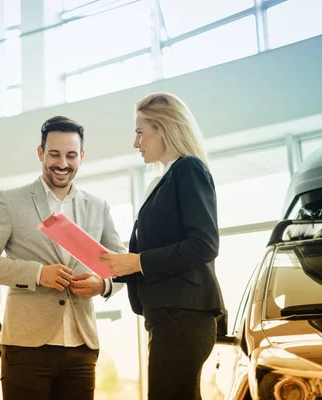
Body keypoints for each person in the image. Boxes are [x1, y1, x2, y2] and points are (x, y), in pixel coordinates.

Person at [0, 116, 125, 400]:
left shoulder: (98, 207)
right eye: (54, 154)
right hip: (27, 348)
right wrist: (38, 273)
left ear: (81, 157)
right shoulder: (10, 201)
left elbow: (120, 265)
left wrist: (102, 285)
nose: (62, 163)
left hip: (81, 348)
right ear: (40, 153)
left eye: (71, 155)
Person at [99, 93, 226, 400]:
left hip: (183, 317)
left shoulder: (188, 169)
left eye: (140, 132)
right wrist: (106, 277)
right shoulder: (166, 179)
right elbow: (150, 259)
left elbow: (204, 244)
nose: (136, 143)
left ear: (164, 128)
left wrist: (138, 261)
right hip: (171, 317)